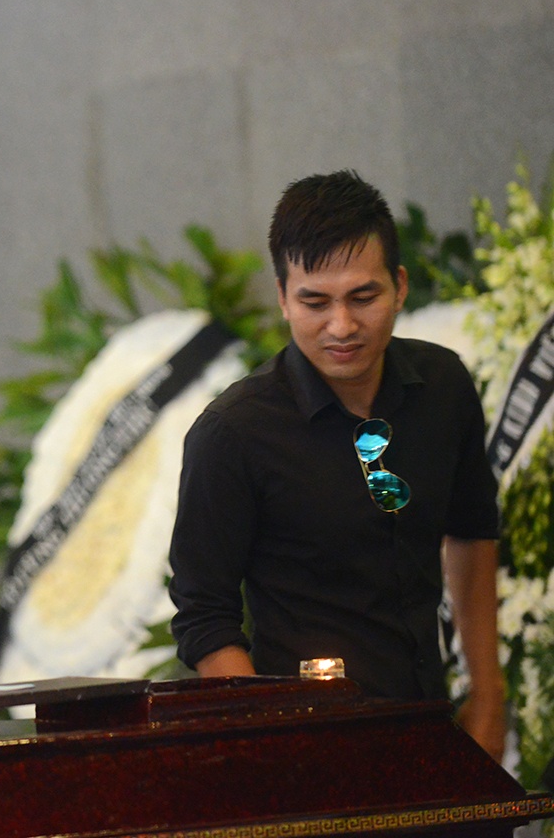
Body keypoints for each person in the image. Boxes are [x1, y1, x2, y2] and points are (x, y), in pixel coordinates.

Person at [168, 170, 505, 760]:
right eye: (315, 302)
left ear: (400, 286)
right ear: (282, 296)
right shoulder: (234, 433)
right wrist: (274, 741)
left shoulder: (443, 386)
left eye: (363, 297)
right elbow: (204, 615)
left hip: (434, 730)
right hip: (304, 751)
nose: (342, 326)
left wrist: (489, 694)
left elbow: (472, 529)